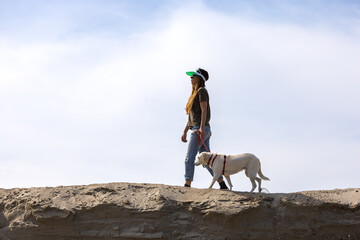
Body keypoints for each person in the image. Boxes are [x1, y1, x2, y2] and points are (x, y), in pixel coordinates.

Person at [181, 68, 228, 189]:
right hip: (200, 129)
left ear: (199, 79)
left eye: (193, 76)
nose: (191, 78)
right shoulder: (194, 95)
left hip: (199, 130)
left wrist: (201, 129)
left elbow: (204, 110)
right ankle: (222, 183)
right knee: (207, 161)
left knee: (189, 158)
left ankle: (187, 184)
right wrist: (185, 131)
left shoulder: (201, 91)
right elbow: (191, 117)